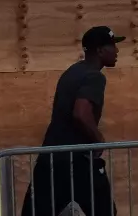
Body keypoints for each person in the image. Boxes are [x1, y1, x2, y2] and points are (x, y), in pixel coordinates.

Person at [22, 26, 124, 216]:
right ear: (100, 51)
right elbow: (81, 113)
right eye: (112, 46)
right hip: (77, 162)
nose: (117, 51)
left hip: (51, 158)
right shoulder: (94, 77)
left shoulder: (73, 71)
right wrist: (98, 139)